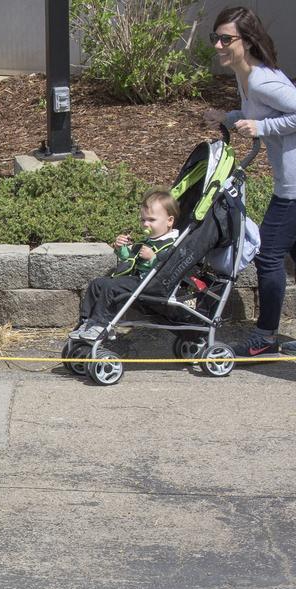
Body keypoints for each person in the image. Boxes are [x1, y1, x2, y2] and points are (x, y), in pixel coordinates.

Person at [202, 7, 296, 358]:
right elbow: (261, 113)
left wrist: (263, 129)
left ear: (247, 40)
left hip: (294, 187)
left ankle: (266, 335)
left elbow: (279, 117)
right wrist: (226, 117)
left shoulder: (260, 79)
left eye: (227, 39)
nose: (219, 45)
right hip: (289, 182)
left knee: (269, 255)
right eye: (216, 38)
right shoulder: (246, 77)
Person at [70, 190, 181, 341]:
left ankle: (102, 325)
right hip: (136, 281)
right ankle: (87, 321)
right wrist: (120, 248)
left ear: (169, 221)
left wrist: (153, 258)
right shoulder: (149, 240)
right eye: (143, 220)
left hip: (152, 286)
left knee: (111, 286)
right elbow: (130, 258)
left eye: (151, 220)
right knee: (97, 283)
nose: (145, 224)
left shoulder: (173, 245)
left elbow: (170, 268)